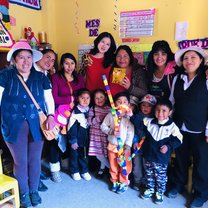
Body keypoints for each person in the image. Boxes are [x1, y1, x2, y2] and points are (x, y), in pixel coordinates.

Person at [0, 40, 55, 208]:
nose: (26, 61)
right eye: (21, 58)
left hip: (37, 124)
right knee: (20, 162)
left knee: (34, 160)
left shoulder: (41, 77)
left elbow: (48, 98)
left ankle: (33, 190)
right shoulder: (5, 76)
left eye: (29, 57)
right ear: (14, 60)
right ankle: (23, 192)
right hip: (13, 125)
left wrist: (51, 115)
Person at [168, 46, 208, 208]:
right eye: (186, 58)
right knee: (180, 159)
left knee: (202, 163)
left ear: (201, 60)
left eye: (193, 57)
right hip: (179, 126)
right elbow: (172, 101)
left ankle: (201, 194)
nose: (189, 61)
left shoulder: (205, 79)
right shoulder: (178, 78)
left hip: (200, 129)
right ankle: (178, 185)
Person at [50, 53, 85, 182]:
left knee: (73, 140)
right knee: (56, 141)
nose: (69, 66)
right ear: (61, 65)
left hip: (75, 114)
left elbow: (83, 95)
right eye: (66, 63)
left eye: (72, 63)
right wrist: (69, 99)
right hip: (60, 115)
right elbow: (54, 97)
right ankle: (54, 169)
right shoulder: (55, 77)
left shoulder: (79, 78)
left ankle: (71, 165)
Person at [141, 98, 183, 205]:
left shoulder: (172, 126)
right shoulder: (149, 122)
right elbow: (138, 124)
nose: (160, 113)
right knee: (149, 174)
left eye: (164, 111)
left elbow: (179, 139)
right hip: (149, 155)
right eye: (158, 110)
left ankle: (159, 192)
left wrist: (168, 146)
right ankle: (150, 189)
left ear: (170, 112)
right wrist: (131, 114)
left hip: (161, 158)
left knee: (160, 176)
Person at [101, 92, 134, 194]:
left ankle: (123, 182)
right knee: (113, 164)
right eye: (119, 102)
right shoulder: (111, 115)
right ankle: (114, 181)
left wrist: (128, 146)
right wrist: (111, 131)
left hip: (124, 147)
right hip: (112, 145)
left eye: (124, 102)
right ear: (114, 104)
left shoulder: (129, 118)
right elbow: (103, 126)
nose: (122, 103)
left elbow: (131, 133)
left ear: (128, 104)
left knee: (124, 165)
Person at [34, 48, 57, 191]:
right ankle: (34, 181)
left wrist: (50, 114)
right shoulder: (31, 71)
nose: (49, 61)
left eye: (53, 60)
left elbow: (48, 97)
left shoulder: (45, 74)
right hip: (31, 115)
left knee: (38, 146)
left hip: (42, 114)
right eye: (47, 57)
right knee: (32, 148)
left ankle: (36, 173)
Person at [130, 94, 157, 191]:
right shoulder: (136, 117)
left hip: (148, 148)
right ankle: (137, 181)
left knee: (147, 166)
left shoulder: (155, 120)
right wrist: (135, 141)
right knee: (137, 165)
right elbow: (133, 131)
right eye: (143, 105)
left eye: (149, 106)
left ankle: (146, 182)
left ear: (153, 107)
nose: (145, 108)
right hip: (137, 146)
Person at [67, 88, 92, 181]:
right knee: (74, 156)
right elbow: (71, 128)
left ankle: (84, 171)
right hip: (76, 140)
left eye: (87, 98)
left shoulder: (90, 110)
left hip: (85, 140)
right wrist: (73, 140)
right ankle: (74, 171)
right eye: (82, 98)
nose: (85, 100)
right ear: (78, 98)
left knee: (84, 156)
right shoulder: (75, 112)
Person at [88, 89, 111, 177]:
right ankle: (110, 167)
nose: (99, 99)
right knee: (98, 154)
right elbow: (89, 122)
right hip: (95, 136)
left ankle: (102, 168)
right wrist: (98, 119)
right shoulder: (93, 109)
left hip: (105, 135)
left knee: (104, 153)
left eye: (101, 97)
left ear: (105, 98)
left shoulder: (109, 109)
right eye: (96, 98)